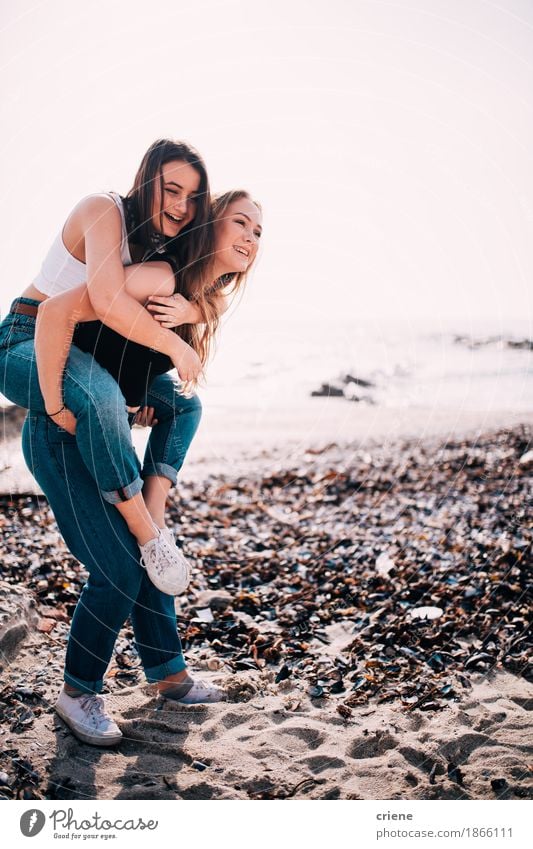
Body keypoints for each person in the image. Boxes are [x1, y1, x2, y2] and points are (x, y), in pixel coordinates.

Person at [16, 190, 263, 746]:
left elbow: (130, 366)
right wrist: (61, 404)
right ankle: (77, 692)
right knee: (122, 569)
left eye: (259, 231)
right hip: (60, 438)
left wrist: (145, 388)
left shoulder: (202, 294)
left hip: (106, 434)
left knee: (152, 542)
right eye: (240, 223)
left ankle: (169, 675)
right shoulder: (160, 273)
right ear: (210, 224)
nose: (251, 238)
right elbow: (62, 314)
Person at [0, 139, 216, 595]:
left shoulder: (155, 244)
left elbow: (159, 314)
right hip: (21, 338)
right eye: (170, 189)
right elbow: (107, 301)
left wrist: (142, 391)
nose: (180, 206)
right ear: (145, 181)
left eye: (191, 198)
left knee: (183, 404)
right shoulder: (104, 210)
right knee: (100, 397)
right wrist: (176, 351)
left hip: (76, 351)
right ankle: (149, 535)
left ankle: (154, 509)